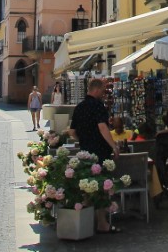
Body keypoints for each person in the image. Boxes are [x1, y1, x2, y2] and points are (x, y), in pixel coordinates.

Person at [70, 77, 120, 234]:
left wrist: (84, 139)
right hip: (100, 151)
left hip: (85, 153)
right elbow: (103, 128)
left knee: (88, 187)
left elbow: (72, 132)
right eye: (104, 90)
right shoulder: (98, 106)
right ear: (97, 90)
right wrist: (113, 146)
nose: (105, 94)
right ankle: (102, 223)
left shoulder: (79, 108)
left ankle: (86, 221)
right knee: (102, 186)